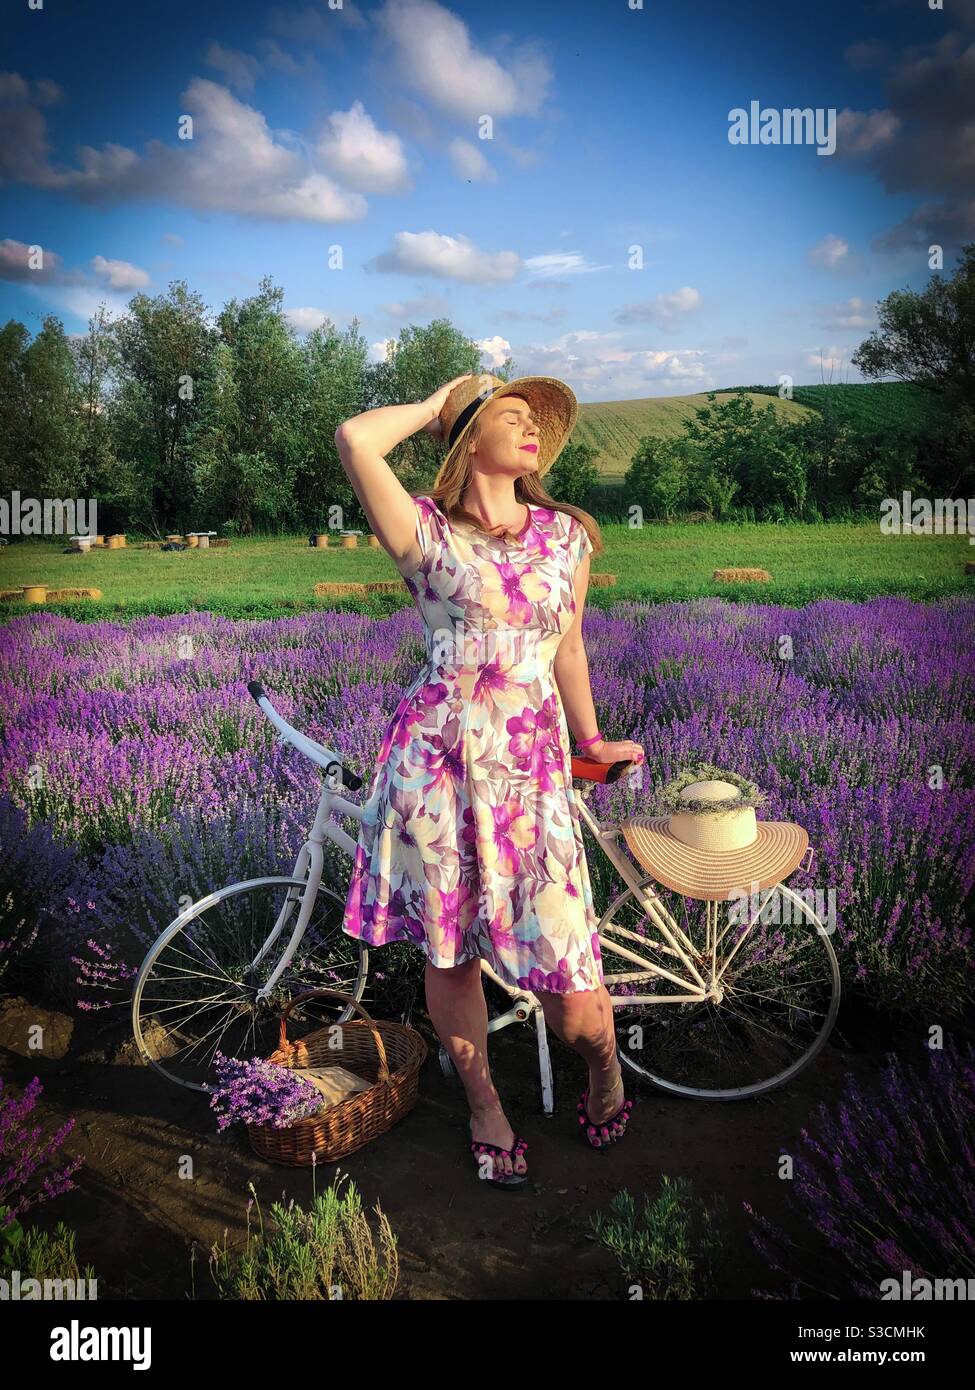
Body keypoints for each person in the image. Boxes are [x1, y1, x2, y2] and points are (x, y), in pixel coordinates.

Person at [335, 372, 645, 1188]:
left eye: (537, 418)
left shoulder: (566, 534)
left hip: (533, 774)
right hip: (434, 767)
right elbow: (355, 438)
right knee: (449, 956)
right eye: (511, 414)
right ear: (469, 435)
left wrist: (591, 739)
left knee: (571, 985)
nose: (533, 427)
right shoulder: (423, 531)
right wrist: (440, 404)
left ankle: (604, 1066)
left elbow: (569, 648)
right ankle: (484, 1106)